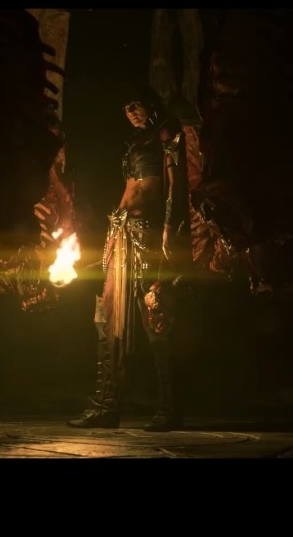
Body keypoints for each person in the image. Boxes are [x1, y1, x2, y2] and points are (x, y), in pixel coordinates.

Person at [67, 86, 191, 432]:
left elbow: (174, 182)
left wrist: (169, 228)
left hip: (148, 237)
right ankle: (106, 405)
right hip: (122, 237)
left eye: (136, 105)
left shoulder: (167, 132)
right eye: (126, 108)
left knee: (156, 317)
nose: (132, 112)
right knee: (106, 319)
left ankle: (170, 409)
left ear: (150, 104)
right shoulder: (138, 141)